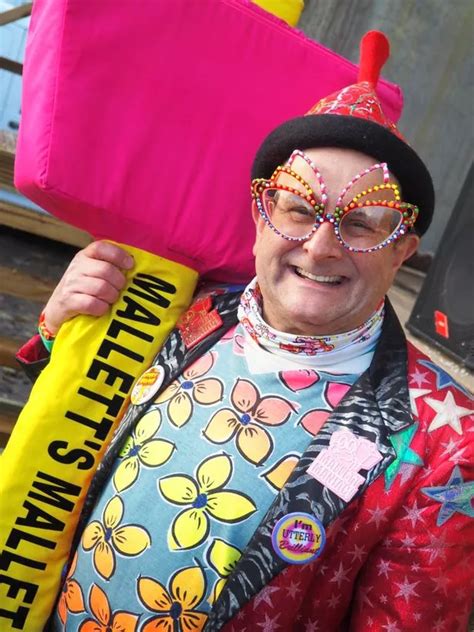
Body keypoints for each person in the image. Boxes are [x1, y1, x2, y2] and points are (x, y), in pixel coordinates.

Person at [17, 33, 473, 632]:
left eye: (360, 224)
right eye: (301, 208)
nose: (321, 245)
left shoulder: (450, 446)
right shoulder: (188, 310)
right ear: (261, 216)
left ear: (403, 253)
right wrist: (58, 329)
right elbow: (74, 414)